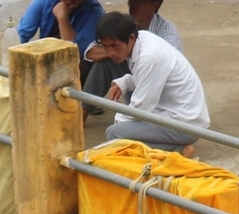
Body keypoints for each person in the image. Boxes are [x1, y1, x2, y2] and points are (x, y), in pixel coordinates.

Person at [89, 11, 209, 151]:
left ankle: (178, 150)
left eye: (115, 46)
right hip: (175, 113)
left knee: (114, 132)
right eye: (105, 47)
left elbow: (141, 109)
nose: (110, 53)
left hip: (185, 124)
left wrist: (119, 119)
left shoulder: (149, 57)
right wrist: (125, 82)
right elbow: (147, 78)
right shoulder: (143, 38)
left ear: (131, 38)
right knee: (122, 125)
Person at [83, 0, 182, 98]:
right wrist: (118, 50)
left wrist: (122, 49)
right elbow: (89, 53)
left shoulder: (167, 32)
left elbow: (164, 69)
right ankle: (83, 109)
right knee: (104, 63)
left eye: (141, 2)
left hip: (159, 88)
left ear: (155, 5)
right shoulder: (126, 25)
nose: (134, 5)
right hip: (133, 77)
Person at [17, 0, 106, 69]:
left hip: (76, 66)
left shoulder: (95, 13)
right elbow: (22, 34)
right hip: (45, 58)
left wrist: (62, 18)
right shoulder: (44, 0)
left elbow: (77, 50)